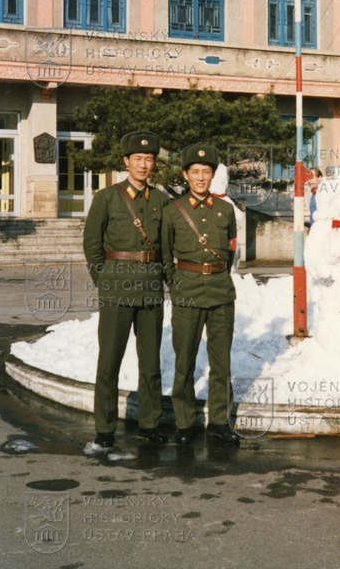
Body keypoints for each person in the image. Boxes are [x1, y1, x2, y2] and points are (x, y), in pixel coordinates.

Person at [83, 131, 169, 448]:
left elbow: (168, 247)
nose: (143, 165)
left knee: (151, 364)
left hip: (149, 293)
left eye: (148, 159)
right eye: (137, 159)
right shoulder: (106, 198)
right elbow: (92, 245)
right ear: (126, 162)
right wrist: (104, 280)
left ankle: (149, 423)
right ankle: (104, 429)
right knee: (109, 363)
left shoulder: (161, 201)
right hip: (116, 291)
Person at [162, 144, 239, 445]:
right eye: (195, 172)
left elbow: (230, 252)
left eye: (206, 172)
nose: (201, 177)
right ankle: (184, 423)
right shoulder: (173, 211)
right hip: (187, 293)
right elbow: (166, 256)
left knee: (221, 363)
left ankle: (219, 421)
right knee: (185, 361)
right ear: (185, 174)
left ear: (213, 175)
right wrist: (178, 284)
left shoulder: (225, 210)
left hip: (221, 293)